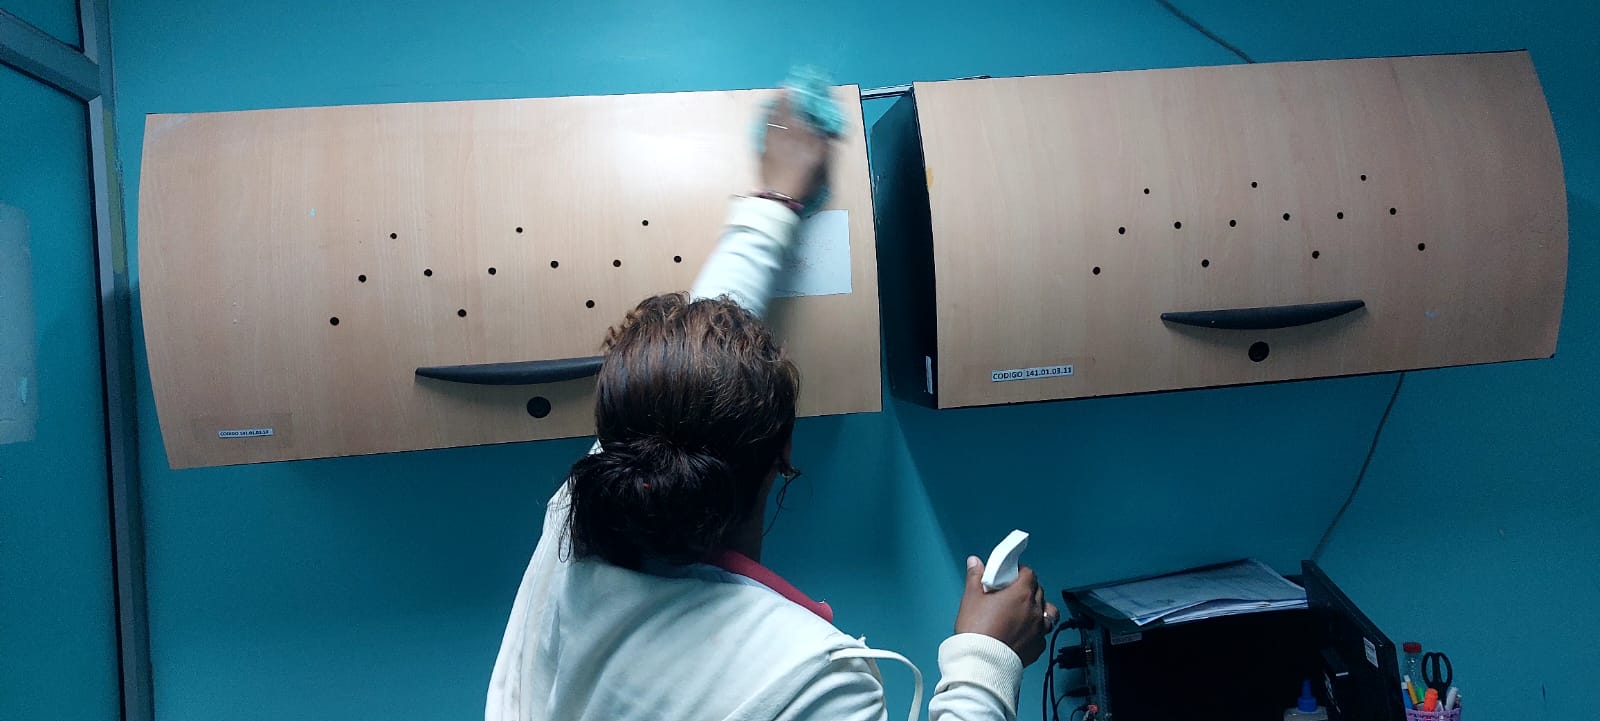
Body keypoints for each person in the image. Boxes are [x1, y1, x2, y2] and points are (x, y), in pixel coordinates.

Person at [487, 95, 1059, 721]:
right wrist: (988, 656)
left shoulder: (575, 520)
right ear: (784, 449)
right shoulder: (808, 679)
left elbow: (694, 368)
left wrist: (775, 201)